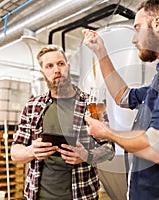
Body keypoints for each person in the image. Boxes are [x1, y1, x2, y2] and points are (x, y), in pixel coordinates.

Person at [82, 0, 159, 199]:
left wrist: (106, 132)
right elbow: (123, 96)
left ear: (157, 24)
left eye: (137, 28)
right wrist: (100, 51)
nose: (134, 39)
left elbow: (156, 149)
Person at [10, 44, 115, 200]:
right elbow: (15, 153)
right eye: (49, 66)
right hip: (37, 195)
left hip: (82, 195)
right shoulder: (32, 106)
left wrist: (87, 156)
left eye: (60, 64)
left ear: (68, 66)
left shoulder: (92, 104)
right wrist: (31, 151)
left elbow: (109, 149)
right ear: (42, 72)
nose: (56, 70)